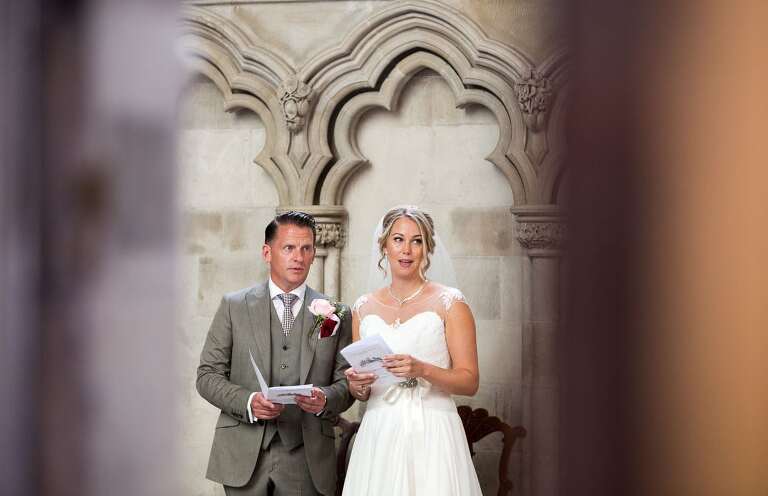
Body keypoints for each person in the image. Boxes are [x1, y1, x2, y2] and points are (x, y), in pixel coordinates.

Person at [196, 211, 354, 496]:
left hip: (308, 457)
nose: (299, 257)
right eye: (289, 248)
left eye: (306, 248)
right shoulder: (234, 306)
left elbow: (346, 384)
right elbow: (207, 375)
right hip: (244, 453)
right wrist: (248, 401)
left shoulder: (335, 312)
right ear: (267, 253)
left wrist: (324, 400)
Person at [342, 205, 483, 495]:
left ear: (427, 248)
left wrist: (423, 370)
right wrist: (356, 385)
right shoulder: (362, 308)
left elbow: (470, 381)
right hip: (379, 431)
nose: (407, 249)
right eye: (398, 239)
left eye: (416, 240)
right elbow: (364, 391)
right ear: (384, 246)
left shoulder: (450, 303)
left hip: (432, 430)